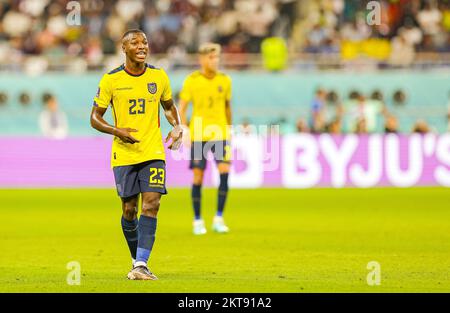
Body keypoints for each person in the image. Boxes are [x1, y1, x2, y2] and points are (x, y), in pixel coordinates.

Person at [90, 29, 183, 281]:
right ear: (124, 48)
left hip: (153, 151)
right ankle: (137, 261)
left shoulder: (159, 76)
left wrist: (177, 127)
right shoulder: (111, 80)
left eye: (145, 42)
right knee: (129, 210)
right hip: (124, 154)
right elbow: (95, 118)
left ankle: (141, 263)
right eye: (135, 42)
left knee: (152, 204)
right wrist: (115, 130)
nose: (142, 46)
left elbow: (169, 107)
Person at [179, 43, 232, 235]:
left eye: (217, 57)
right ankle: (197, 220)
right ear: (201, 59)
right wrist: (184, 129)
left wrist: (229, 128)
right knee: (198, 176)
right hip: (199, 134)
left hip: (220, 134)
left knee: (224, 171)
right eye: (211, 57)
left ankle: (219, 217)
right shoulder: (192, 81)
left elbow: (227, 107)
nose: (215, 61)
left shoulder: (225, 80)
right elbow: (182, 108)